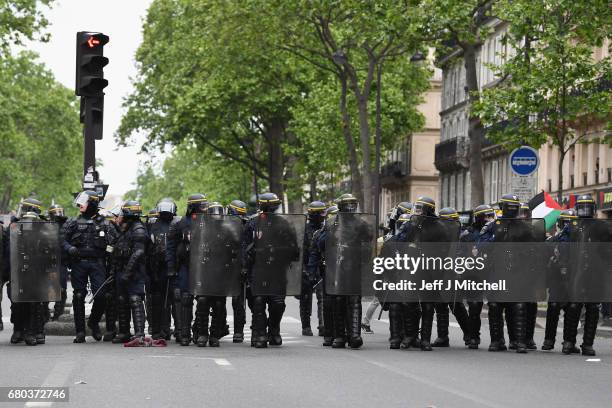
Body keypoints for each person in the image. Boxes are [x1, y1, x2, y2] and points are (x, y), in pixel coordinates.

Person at [242, 192, 298, 348]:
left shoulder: (284, 224)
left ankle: (274, 330)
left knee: (277, 303)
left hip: (277, 269)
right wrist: (247, 259)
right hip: (258, 268)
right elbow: (243, 246)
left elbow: (294, 249)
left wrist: (280, 251)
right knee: (258, 302)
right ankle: (259, 333)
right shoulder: (252, 224)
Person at [62, 191, 115, 343]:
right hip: (79, 263)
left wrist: (109, 256)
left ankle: (93, 322)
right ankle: (80, 332)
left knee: (101, 295)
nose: (80, 205)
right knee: (78, 296)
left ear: (92, 203)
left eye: (84, 202)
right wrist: (69, 248)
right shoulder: (73, 222)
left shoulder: (105, 223)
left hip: (98, 263)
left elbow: (113, 244)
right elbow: (62, 240)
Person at [7, 198, 51, 345]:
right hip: (18, 271)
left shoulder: (43, 227)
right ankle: (18, 329)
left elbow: (49, 250)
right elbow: (8, 250)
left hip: (36, 271)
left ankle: (35, 331)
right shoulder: (15, 226)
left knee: (36, 302)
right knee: (17, 302)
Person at [166, 193, 208, 345]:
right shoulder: (181, 224)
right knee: (185, 299)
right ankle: (185, 334)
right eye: (202, 205)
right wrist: (171, 267)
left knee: (203, 299)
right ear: (194, 206)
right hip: (186, 266)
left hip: (204, 267)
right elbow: (170, 247)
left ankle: (201, 332)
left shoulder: (211, 222)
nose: (206, 208)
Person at [562, 194, 601, 356]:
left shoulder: (600, 227)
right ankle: (569, 343)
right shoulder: (572, 226)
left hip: (593, 271)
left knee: (591, 308)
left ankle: (586, 344)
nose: (585, 211)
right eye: (582, 207)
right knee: (574, 307)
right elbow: (562, 246)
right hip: (576, 270)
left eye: (587, 207)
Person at [431, 207, 470, 347]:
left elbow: (464, 255)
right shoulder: (439, 235)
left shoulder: (463, 235)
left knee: (456, 305)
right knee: (440, 304)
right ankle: (442, 337)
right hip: (440, 273)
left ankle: (469, 334)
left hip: (454, 273)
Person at [111, 201, 148, 344]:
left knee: (135, 300)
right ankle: (124, 332)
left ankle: (139, 334)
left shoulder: (138, 229)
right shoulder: (127, 229)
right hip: (122, 270)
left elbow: (138, 253)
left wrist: (127, 272)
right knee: (122, 301)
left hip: (134, 272)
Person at [461, 204, 496, 349]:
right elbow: (460, 253)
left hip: (492, 272)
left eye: (490, 216)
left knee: (496, 306)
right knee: (474, 306)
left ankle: (501, 340)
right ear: (479, 218)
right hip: (473, 274)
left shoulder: (496, 231)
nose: (489, 219)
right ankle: (474, 337)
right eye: (486, 216)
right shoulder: (468, 234)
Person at [542, 209, 576, 351]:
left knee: (553, 309)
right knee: (571, 310)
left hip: (556, 280)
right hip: (571, 279)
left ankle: (548, 342)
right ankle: (568, 344)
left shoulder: (553, 240)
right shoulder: (578, 240)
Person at [147, 199, 177, 340]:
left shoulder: (176, 225)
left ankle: (173, 329)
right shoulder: (152, 226)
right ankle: (157, 329)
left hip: (171, 267)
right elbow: (148, 248)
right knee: (157, 300)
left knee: (172, 299)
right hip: (156, 268)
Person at [300, 201, 326, 336]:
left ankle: (322, 325)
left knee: (322, 296)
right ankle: (306, 325)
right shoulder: (304, 229)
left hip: (320, 265)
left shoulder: (324, 229)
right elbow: (300, 251)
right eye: (321, 214)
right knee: (306, 297)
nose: (323, 216)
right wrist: (304, 269)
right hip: (306, 266)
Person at [227, 199, 249, 343]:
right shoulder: (224, 227)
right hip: (229, 268)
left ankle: (258, 330)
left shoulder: (249, 226)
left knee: (253, 301)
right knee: (236, 301)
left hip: (248, 268)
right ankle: (237, 332)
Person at [48, 204, 69, 321]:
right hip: (49, 263)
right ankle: (44, 314)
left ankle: (57, 314)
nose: (58, 215)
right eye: (56, 212)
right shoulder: (46, 227)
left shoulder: (66, 226)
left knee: (62, 290)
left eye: (60, 212)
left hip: (62, 263)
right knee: (47, 289)